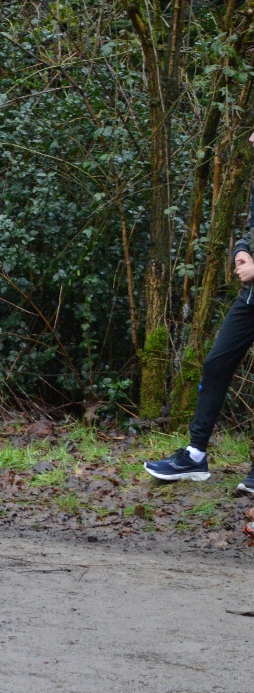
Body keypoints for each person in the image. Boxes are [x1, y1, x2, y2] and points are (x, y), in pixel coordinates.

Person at [144, 130, 254, 492]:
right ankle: (194, 457)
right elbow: (251, 228)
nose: (251, 140)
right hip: (250, 298)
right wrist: (242, 251)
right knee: (216, 363)